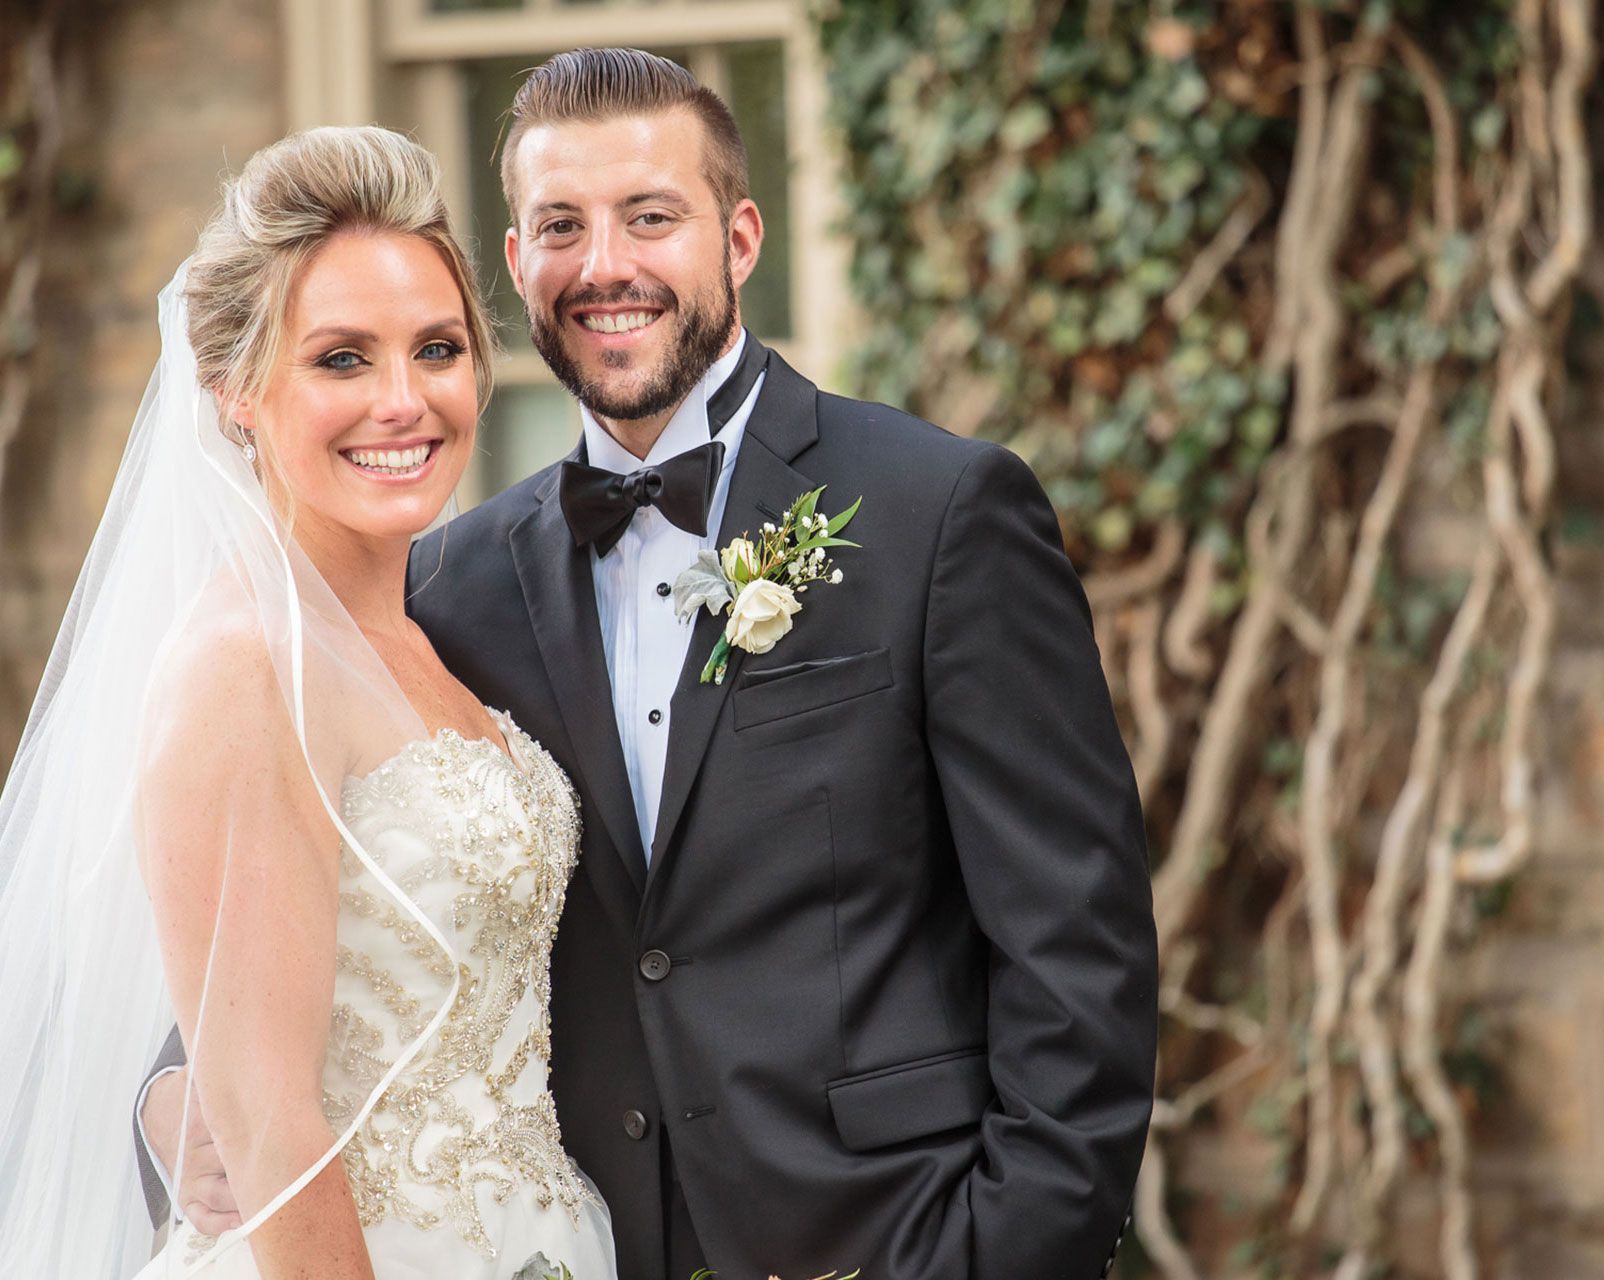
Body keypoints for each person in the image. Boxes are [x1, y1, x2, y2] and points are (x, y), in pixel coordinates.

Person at [143, 47, 1159, 1279]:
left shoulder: (937, 515)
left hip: (894, 1241)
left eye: (651, 217)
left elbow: (1078, 952)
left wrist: (1008, 1255)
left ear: (740, 236)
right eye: (562, 224)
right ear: (516, 267)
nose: (606, 265)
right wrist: (167, 1109)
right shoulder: (442, 581)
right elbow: (274, 948)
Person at [0, 126, 617, 1277]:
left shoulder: (427, 635)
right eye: (341, 358)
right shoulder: (245, 663)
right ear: (235, 390)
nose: (404, 400)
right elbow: (271, 1113)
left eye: (436, 348)